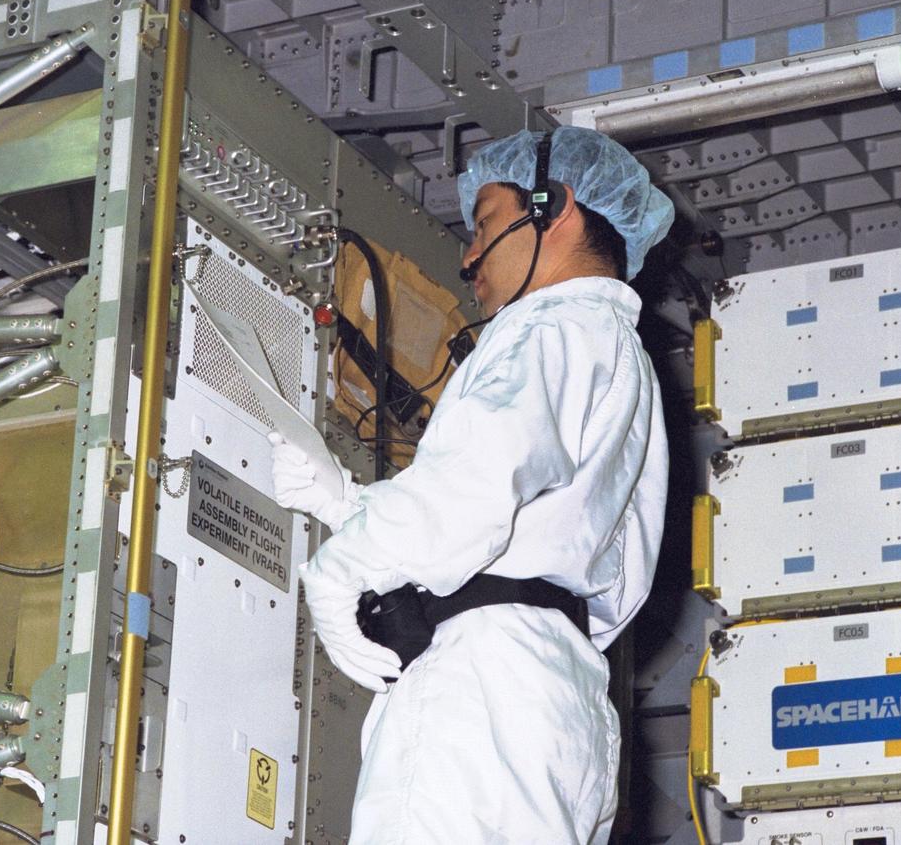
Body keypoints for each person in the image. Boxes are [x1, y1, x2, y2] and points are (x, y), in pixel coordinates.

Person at [269, 125, 674, 844]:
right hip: (559, 700)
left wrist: (339, 573)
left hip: (484, 686)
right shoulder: (618, 356)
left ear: (556, 208)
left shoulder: (545, 326)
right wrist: (346, 504)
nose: (467, 257)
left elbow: (479, 488)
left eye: (484, 225)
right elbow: (538, 534)